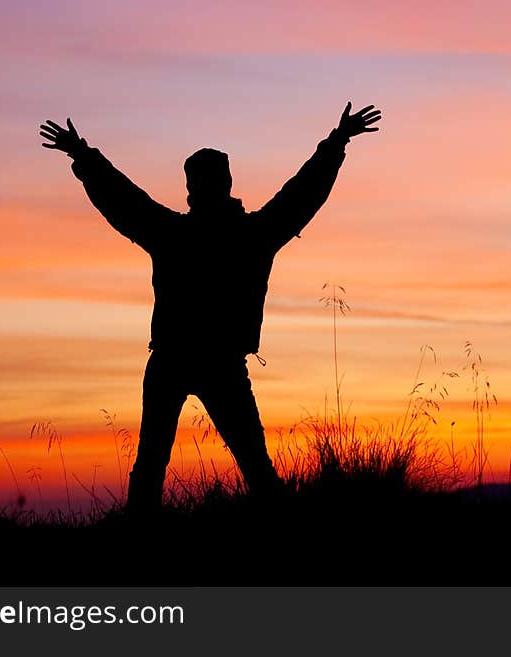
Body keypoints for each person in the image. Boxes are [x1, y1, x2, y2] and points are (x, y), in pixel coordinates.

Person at [38, 102, 382, 511]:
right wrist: (337, 142)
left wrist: (83, 156)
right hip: (211, 363)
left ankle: (134, 545)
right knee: (249, 467)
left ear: (192, 189)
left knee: (157, 465)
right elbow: (300, 196)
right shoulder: (251, 234)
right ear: (227, 185)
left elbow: (125, 202)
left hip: (180, 359)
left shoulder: (179, 233)